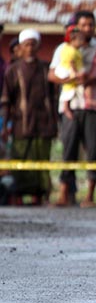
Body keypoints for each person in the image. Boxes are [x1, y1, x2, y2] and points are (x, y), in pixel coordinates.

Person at [49, 10, 96, 207]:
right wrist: (66, 79)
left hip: (93, 106)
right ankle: (64, 194)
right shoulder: (63, 48)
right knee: (68, 149)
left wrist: (91, 79)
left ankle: (90, 196)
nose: (88, 29)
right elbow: (52, 75)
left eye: (91, 25)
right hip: (70, 105)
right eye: (84, 25)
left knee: (94, 151)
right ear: (76, 27)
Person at [0, 29, 58, 205]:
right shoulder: (13, 71)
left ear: (38, 46)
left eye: (33, 44)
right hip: (21, 124)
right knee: (21, 160)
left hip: (44, 123)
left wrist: (55, 121)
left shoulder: (46, 69)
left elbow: (54, 97)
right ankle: (18, 197)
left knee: (42, 160)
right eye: (27, 44)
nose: (30, 48)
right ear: (21, 47)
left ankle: (40, 197)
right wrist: (4, 128)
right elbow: (6, 100)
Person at [54, 25, 88, 117]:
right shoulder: (70, 50)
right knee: (68, 90)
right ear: (72, 39)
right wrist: (74, 73)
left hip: (73, 73)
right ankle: (65, 107)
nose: (81, 42)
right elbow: (71, 62)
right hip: (67, 71)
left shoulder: (76, 50)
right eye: (79, 40)